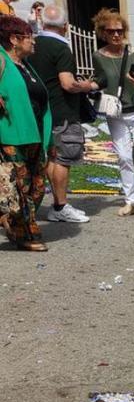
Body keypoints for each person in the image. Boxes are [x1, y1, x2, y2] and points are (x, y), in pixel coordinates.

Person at [28, 5, 94, 225]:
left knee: (50, 157)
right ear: (65, 27)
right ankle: (60, 205)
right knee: (63, 158)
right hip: (62, 110)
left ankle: (57, 202)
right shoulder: (61, 47)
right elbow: (67, 83)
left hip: (40, 110)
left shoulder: (33, 45)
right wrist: (86, 86)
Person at [0, 15, 51, 250]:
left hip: (37, 136)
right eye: (29, 37)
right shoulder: (1, 61)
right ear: (14, 39)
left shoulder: (26, 66)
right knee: (19, 190)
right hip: (11, 136)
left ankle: (13, 223)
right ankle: (26, 233)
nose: (34, 41)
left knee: (37, 187)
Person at [91, 8, 134, 216]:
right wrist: (91, 85)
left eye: (120, 30)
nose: (116, 34)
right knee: (124, 156)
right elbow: (100, 79)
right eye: (111, 31)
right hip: (115, 112)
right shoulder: (98, 56)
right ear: (103, 32)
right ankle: (131, 200)